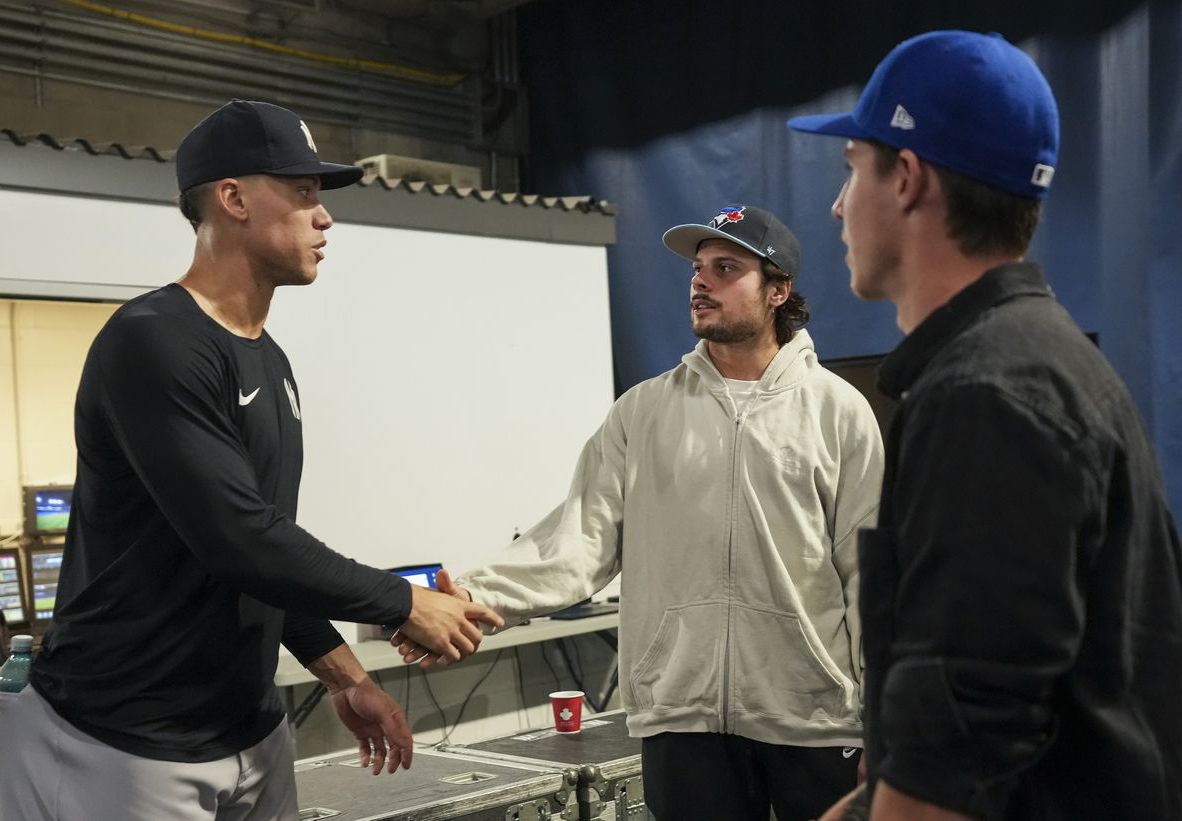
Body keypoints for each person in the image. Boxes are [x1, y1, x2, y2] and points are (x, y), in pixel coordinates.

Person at [0, 99, 503, 821]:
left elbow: (259, 552)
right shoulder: (153, 342)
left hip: (247, 732)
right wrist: (403, 602)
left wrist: (344, 675)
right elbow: (239, 538)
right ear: (232, 197)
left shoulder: (271, 361)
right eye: (302, 192)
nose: (324, 218)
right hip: (122, 740)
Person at [788, 30, 1182, 821]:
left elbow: (954, 770)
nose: (837, 206)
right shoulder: (1037, 361)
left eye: (850, 170)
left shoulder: (987, 398)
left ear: (907, 177)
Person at [392, 204, 885, 821]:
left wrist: (887, 722)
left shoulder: (837, 413)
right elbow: (577, 541)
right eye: (698, 269)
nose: (701, 282)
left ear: (778, 291)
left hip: (812, 719)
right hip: (681, 719)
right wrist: (465, 599)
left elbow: (872, 575)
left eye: (725, 268)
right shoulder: (644, 412)